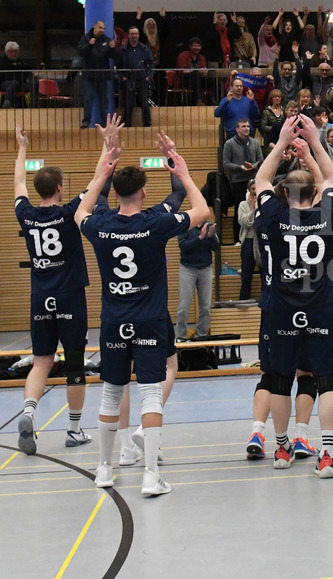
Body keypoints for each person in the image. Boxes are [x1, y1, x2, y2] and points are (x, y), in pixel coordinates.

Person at [77, 130, 209, 496]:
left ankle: (104, 469)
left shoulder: (100, 226)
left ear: (115, 193)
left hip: (113, 322)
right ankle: (150, 475)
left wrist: (102, 171)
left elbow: (81, 211)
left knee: (110, 393)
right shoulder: (155, 223)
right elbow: (201, 211)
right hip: (150, 319)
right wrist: (181, 170)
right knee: (151, 393)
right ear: (145, 192)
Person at [253, 116, 333, 478]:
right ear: (313, 195)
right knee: (327, 381)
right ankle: (325, 455)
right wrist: (313, 145)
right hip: (321, 306)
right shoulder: (325, 212)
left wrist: (281, 143)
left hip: (281, 307)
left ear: (284, 195)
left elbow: (262, 179)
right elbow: (332, 178)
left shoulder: (274, 215)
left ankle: (280, 449)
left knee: (280, 378)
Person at [14, 127, 93, 454]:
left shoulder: (26, 215)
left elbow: (18, 183)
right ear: (60, 188)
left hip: (40, 298)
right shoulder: (69, 213)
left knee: (41, 361)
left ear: (38, 190)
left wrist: (22, 149)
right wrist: (108, 151)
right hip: (70, 296)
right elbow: (98, 183)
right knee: (74, 361)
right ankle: (73, 429)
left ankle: (29, 413)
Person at [174, 220, 218, 341]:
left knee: (205, 307)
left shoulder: (209, 226)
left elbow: (216, 247)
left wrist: (210, 237)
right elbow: (183, 246)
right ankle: (181, 336)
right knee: (183, 305)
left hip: (206, 269)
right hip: (188, 269)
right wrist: (200, 238)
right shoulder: (185, 226)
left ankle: (201, 335)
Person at [78, 20, 114, 127]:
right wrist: (89, 45)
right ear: (94, 27)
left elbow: (113, 55)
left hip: (102, 76)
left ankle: (104, 123)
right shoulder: (86, 39)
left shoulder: (106, 40)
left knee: (104, 100)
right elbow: (80, 52)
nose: (102, 30)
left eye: (103, 28)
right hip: (89, 76)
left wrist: (113, 49)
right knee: (89, 98)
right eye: (100, 28)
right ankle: (86, 121)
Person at [117, 26, 155, 127]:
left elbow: (151, 64)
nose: (134, 36)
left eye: (136, 34)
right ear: (128, 35)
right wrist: (122, 77)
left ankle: (147, 124)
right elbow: (118, 66)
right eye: (132, 34)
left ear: (138, 35)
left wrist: (149, 77)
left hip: (142, 80)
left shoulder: (144, 48)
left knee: (145, 104)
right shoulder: (123, 50)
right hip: (128, 80)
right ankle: (127, 125)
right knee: (128, 104)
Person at [237, 180, 257, 301]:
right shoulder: (243, 205)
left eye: (257, 188)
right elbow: (244, 222)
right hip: (249, 241)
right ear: (249, 190)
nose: (255, 191)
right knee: (246, 274)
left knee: (265, 271)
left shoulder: (266, 203)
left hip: (262, 240)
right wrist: (253, 210)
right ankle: (244, 299)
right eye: (253, 189)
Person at [1, 41, 32, 109]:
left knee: (33, 84)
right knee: (14, 83)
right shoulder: (2, 62)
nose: (13, 53)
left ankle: (35, 105)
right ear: (7, 52)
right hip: (5, 84)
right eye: (11, 51)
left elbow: (27, 73)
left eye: (15, 51)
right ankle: (7, 102)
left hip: (20, 84)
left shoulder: (22, 62)